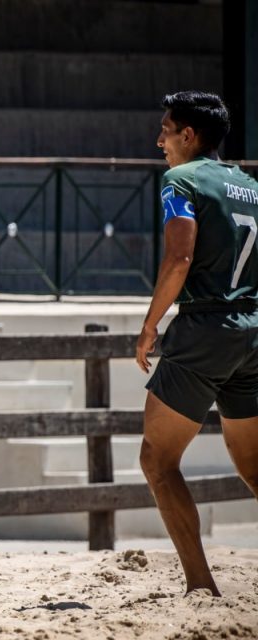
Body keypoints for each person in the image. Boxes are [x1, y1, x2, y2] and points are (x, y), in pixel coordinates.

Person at [135, 91, 258, 596]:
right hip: (252, 328)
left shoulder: (180, 180)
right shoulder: (250, 185)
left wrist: (149, 327)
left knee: (157, 461)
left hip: (205, 330)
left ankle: (201, 588)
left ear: (189, 135)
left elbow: (179, 258)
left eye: (166, 129)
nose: (159, 139)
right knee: (253, 466)